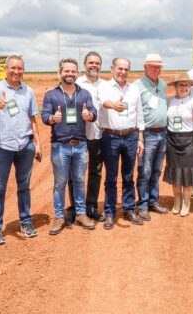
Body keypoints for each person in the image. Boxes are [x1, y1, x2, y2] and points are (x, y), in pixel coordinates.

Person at [0, 54, 43, 244]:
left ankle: (25, 222)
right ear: (6, 69)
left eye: (20, 68)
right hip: (2, 146)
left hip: (25, 145)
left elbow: (33, 118)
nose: (16, 72)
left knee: (24, 186)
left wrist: (38, 143)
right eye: (13, 68)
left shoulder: (28, 91)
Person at [41, 58, 97, 235]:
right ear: (60, 72)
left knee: (80, 181)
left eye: (73, 71)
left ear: (77, 73)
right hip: (60, 146)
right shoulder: (52, 94)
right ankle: (59, 217)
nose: (70, 74)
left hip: (80, 145)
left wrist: (90, 115)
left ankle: (81, 214)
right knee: (60, 183)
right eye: (66, 71)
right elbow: (44, 115)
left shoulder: (84, 94)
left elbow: (94, 112)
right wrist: (52, 119)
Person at [98, 58, 145, 229]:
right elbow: (103, 101)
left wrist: (140, 138)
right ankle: (110, 212)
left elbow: (139, 113)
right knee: (111, 177)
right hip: (110, 137)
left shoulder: (134, 90)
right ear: (112, 69)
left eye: (126, 69)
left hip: (131, 136)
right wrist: (113, 105)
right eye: (119, 68)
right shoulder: (104, 86)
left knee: (128, 176)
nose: (122, 72)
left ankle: (129, 209)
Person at [71, 51, 106, 223]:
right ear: (84, 64)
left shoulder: (106, 86)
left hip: (98, 135)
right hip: (78, 136)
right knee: (75, 174)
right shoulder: (76, 83)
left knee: (95, 172)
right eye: (91, 62)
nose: (94, 65)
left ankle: (91, 205)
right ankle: (74, 208)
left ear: (101, 65)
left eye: (97, 63)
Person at [135, 54, 169, 221]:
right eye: (153, 66)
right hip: (147, 134)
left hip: (163, 133)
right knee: (145, 170)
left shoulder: (162, 84)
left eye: (159, 66)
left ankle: (153, 202)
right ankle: (142, 204)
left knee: (156, 170)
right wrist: (139, 136)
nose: (157, 69)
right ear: (145, 67)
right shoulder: (137, 86)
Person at [165, 72, 193, 216]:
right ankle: (177, 201)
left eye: (187, 85)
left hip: (189, 141)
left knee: (187, 173)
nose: (184, 87)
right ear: (175, 86)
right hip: (172, 140)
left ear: (190, 87)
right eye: (181, 84)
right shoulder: (170, 101)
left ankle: (186, 203)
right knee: (175, 171)